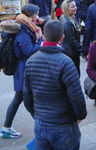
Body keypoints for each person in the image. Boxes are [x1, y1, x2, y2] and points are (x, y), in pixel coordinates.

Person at [23, 21, 87, 150]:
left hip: (41, 125)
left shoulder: (31, 61)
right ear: (62, 38)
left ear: (43, 37)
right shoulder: (66, 62)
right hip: (64, 126)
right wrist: (80, 116)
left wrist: (37, 116)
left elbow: (27, 96)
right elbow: (76, 96)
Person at [0, 4, 43, 139]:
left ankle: (6, 127)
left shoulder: (26, 25)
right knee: (26, 98)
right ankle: (43, 126)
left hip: (23, 69)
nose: (38, 16)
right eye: (36, 14)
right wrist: (41, 43)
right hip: (23, 69)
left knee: (20, 98)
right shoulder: (23, 30)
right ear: (30, 16)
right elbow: (28, 51)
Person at [60, 0, 82, 72]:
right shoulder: (67, 23)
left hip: (72, 51)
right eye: (72, 7)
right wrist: (82, 50)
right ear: (66, 8)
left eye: (75, 6)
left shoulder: (70, 18)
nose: (75, 8)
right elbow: (71, 40)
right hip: (70, 53)